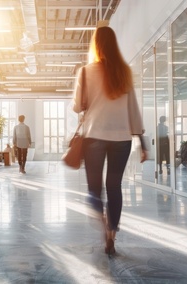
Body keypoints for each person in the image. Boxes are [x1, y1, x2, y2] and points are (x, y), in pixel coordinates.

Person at [72, 26, 147, 256]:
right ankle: (112, 233)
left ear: (96, 45)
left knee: (94, 191)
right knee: (114, 187)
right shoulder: (124, 72)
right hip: (121, 139)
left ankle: (104, 221)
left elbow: (77, 106)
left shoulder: (86, 72)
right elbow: (133, 109)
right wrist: (142, 143)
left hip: (94, 136)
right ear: (114, 45)